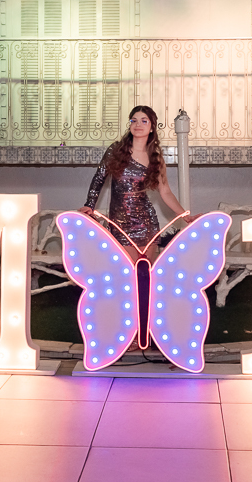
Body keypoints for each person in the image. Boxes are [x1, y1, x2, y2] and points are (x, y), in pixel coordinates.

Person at [79, 106, 195, 350]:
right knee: (127, 282)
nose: (138, 124)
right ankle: (128, 335)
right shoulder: (116, 150)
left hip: (147, 225)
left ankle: (149, 333)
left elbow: (165, 192)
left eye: (144, 121)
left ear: (152, 127)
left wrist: (184, 215)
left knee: (146, 281)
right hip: (120, 225)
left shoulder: (155, 158)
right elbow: (98, 179)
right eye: (134, 120)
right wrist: (90, 205)